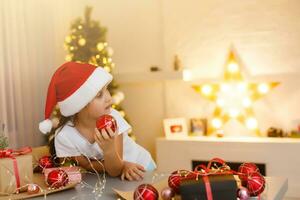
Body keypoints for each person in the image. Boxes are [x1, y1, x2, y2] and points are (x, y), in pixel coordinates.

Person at [39, 61, 156, 181]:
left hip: (142, 168)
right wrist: (121, 164)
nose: (109, 98)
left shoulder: (113, 119)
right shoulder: (65, 136)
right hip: (112, 178)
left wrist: (110, 149)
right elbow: (87, 165)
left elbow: (114, 170)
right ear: (80, 105)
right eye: (99, 94)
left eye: (107, 90)